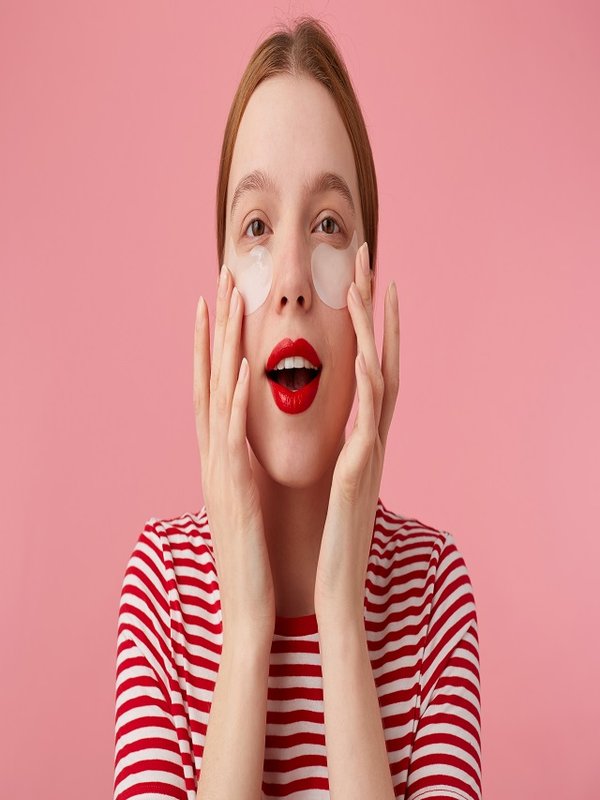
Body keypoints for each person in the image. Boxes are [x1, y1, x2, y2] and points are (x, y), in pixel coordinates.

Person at [112, 15, 481, 800]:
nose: (290, 281)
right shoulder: (162, 590)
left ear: (367, 291)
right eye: (255, 227)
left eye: (327, 225)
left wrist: (340, 625)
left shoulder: (433, 591)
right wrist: (248, 631)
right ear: (221, 296)